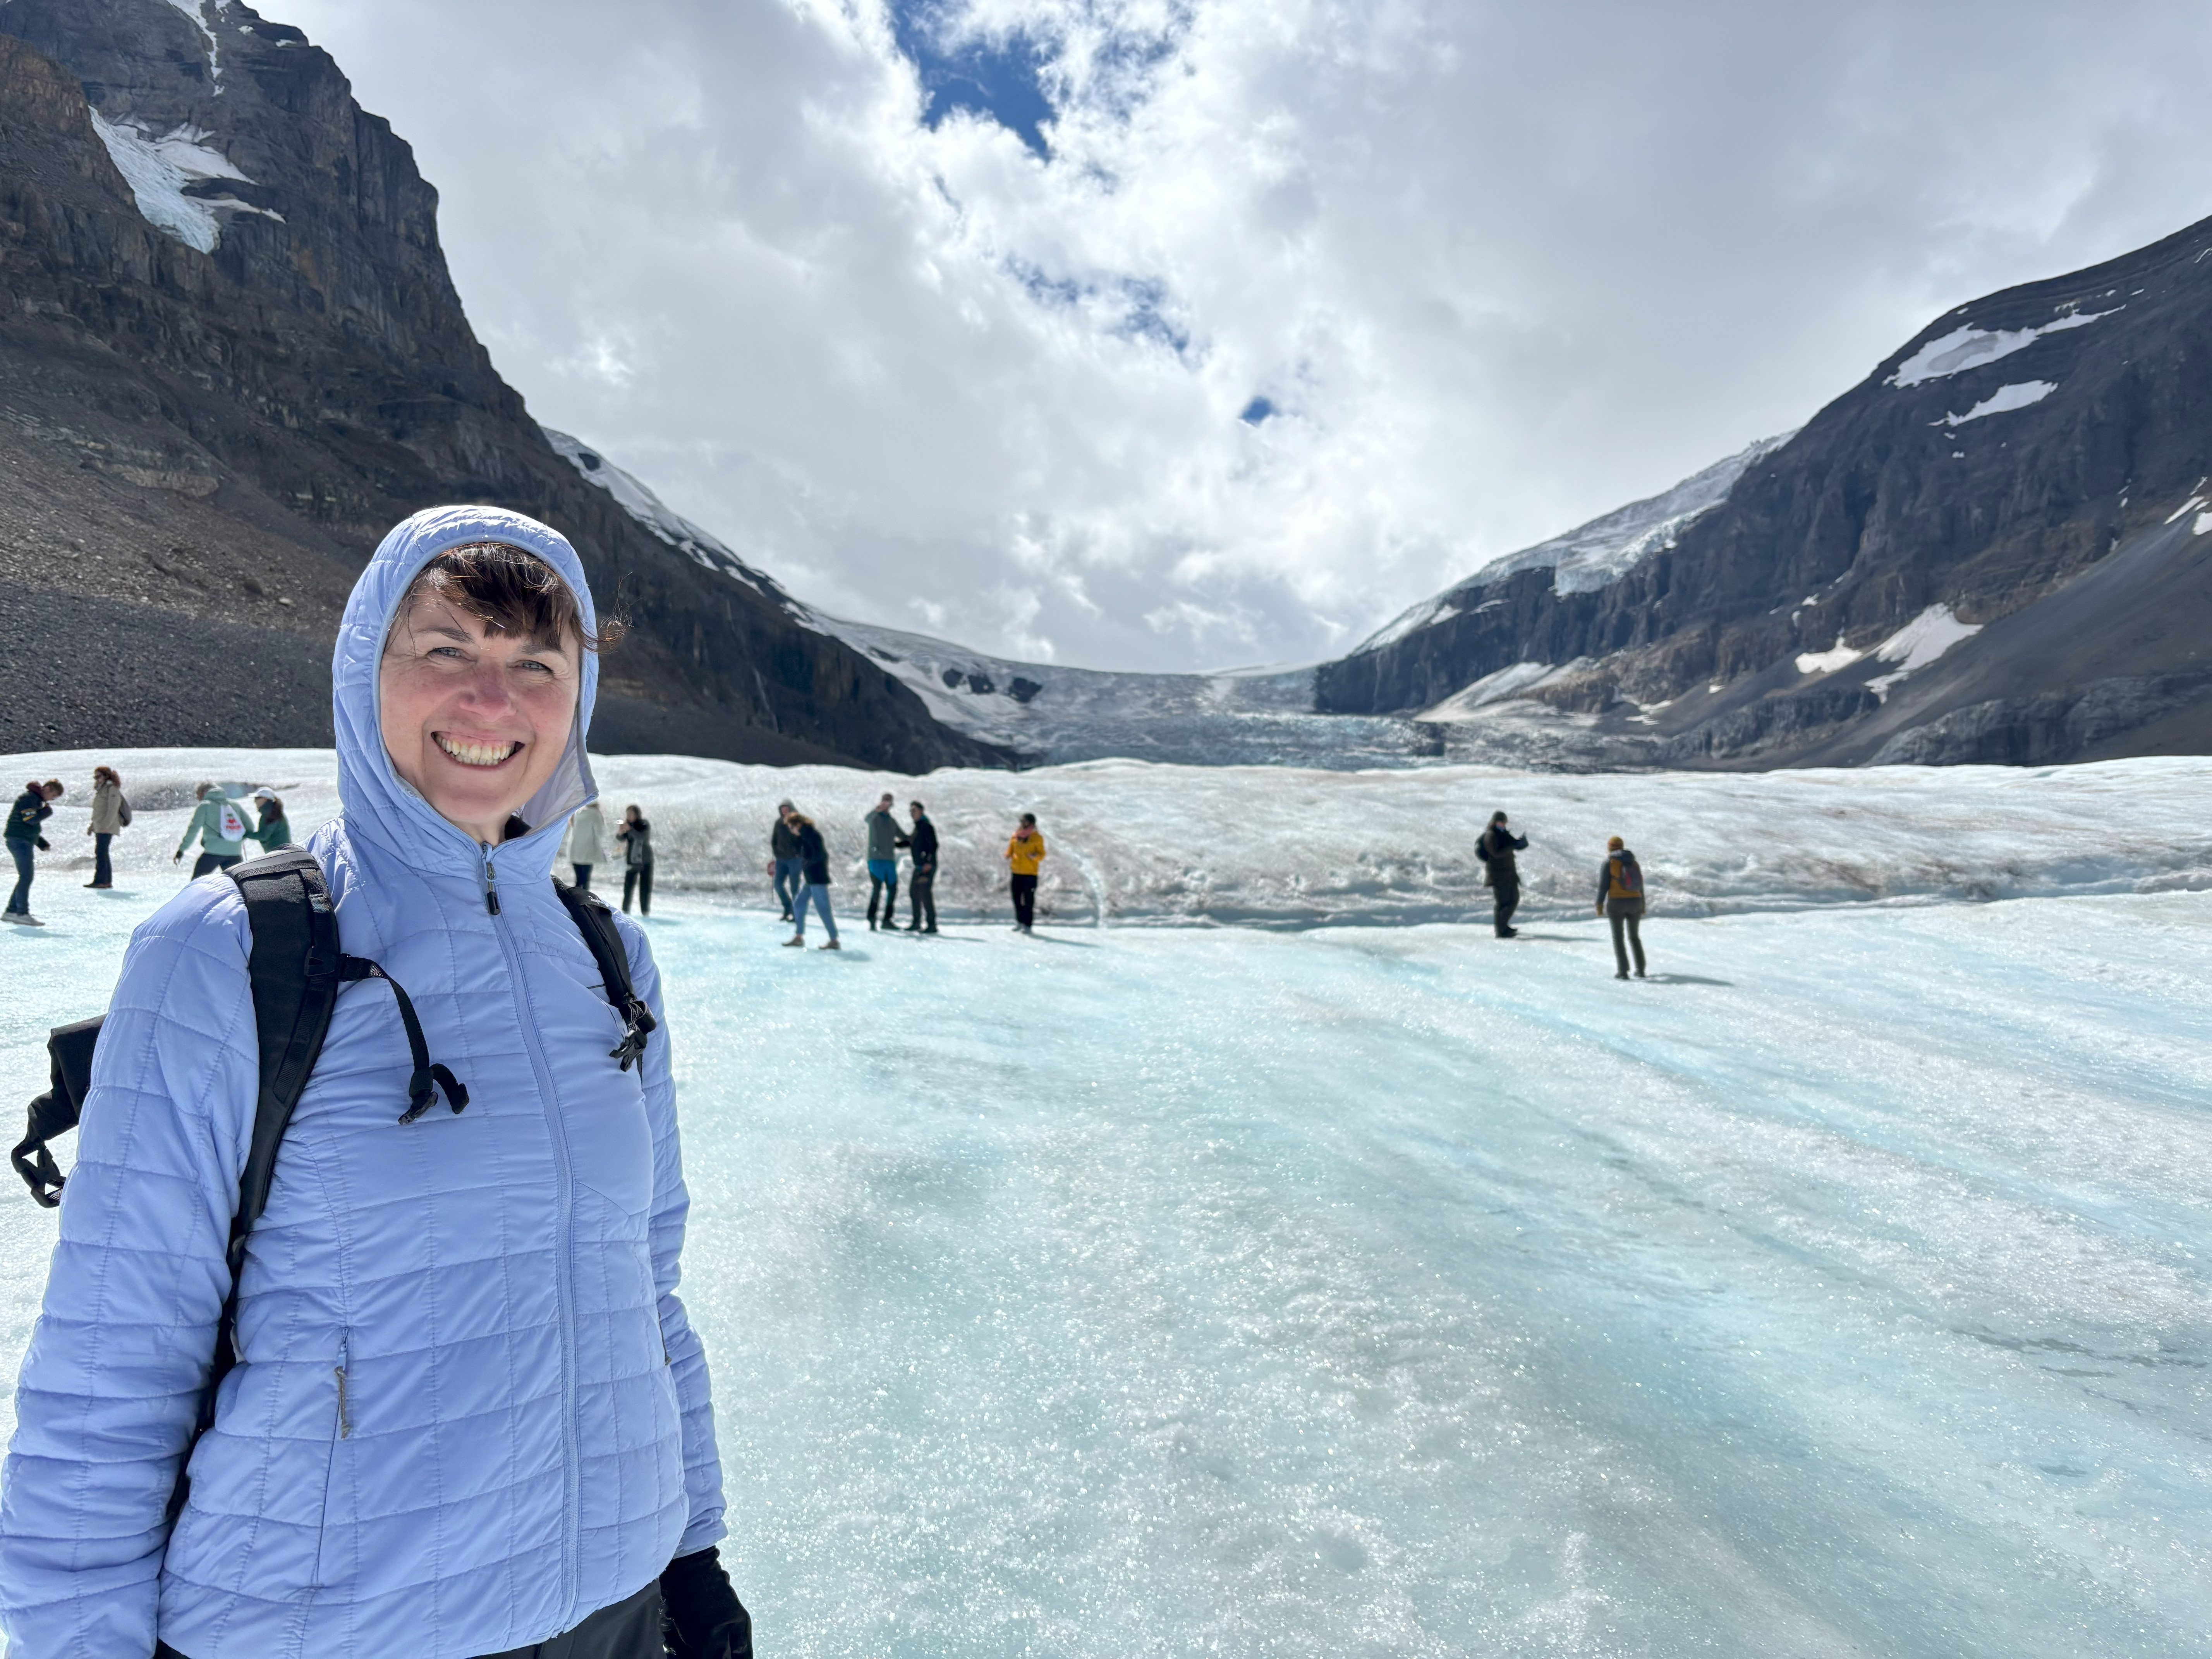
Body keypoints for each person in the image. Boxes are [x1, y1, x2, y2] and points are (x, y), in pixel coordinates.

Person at [0, 510, 749, 1659]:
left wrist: (692, 1554)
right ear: (367, 673)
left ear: (578, 701)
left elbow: (645, 1294)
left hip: (619, 1606)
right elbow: (111, 1381)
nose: (490, 701)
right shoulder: (229, 954)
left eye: (534, 664)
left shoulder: (609, 962)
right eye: (446, 650)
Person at [4, 778, 63, 926]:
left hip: (21, 840)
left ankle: (12, 911)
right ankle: (21, 913)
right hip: (19, 841)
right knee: (26, 876)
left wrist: (41, 843)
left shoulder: (33, 799)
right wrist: (46, 812)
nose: (52, 800)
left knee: (25, 876)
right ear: (48, 789)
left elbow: (29, 826)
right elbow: (30, 819)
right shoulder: (30, 798)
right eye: (54, 796)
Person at [1596, 834, 1648, 979]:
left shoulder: (1609, 863)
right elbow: (1641, 886)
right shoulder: (1634, 863)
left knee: (1619, 938)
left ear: (1610, 848)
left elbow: (1603, 886)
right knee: (1634, 937)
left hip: (1617, 903)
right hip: (1636, 902)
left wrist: (1599, 904)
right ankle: (1641, 970)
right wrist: (1643, 904)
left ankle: (1623, 972)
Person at [785, 809, 838, 950]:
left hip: (817, 878)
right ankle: (799, 937)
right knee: (798, 904)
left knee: (823, 909)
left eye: (791, 827)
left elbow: (821, 855)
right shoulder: (804, 836)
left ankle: (834, 940)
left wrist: (807, 863)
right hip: (810, 879)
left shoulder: (812, 835)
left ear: (798, 825)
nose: (791, 831)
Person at [173, 781, 250, 878]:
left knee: (196, 884)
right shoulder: (234, 805)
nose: (197, 797)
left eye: (198, 793)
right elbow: (250, 828)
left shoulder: (205, 806)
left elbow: (193, 830)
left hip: (212, 854)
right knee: (237, 885)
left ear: (204, 792)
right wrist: (235, 840)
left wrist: (181, 851)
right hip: (235, 854)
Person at [1476, 809, 1528, 938]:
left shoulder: (1503, 834)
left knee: (1514, 900)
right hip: (1498, 876)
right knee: (1503, 903)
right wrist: (1512, 846)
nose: (1503, 824)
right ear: (1495, 822)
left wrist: (1522, 844)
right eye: (1501, 822)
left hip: (1510, 874)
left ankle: (1504, 927)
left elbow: (1514, 845)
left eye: (1504, 822)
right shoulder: (1491, 835)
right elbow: (1496, 853)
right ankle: (1501, 930)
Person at [863, 792, 900, 931]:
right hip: (876, 860)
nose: (886, 803)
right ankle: (872, 919)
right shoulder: (874, 817)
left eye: (889, 801)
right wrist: (875, 810)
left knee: (893, 889)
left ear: (892, 804)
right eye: (884, 800)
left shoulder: (891, 821)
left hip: (889, 861)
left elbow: (902, 835)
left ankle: (887, 920)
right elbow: (867, 819)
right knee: (877, 890)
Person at [86, 765, 127, 889]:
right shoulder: (102, 790)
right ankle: (105, 881)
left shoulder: (112, 789)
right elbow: (98, 811)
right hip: (100, 827)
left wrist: (106, 826)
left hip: (106, 828)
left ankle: (102, 880)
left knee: (101, 853)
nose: (97, 779)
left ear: (106, 776)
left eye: (99, 776)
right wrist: (92, 826)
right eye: (95, 777)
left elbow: (113, 809)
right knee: (102, 853)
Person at [1004, 812, 1045, 934]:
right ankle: (1019, 922)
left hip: (1030, 873)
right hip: (1016, 872)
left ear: (1031, 823)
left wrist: (1034, 857)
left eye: (1025, 821)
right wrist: (1007, 855)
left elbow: (1042, 854)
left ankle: (1028, 924)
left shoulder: (1037, 838)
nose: (1022, 823)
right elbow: (1010, 850)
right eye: (1021, 821)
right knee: (1017, 899)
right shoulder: (1015, 836)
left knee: (1028, 901)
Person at [903, 799, 938, 934]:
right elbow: (910, 842)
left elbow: (934, 845)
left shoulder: (926, 826)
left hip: (927, 866)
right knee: (914, 893)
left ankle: (932, 925)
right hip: (919, 867)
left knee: (925, 894)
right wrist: (892, 844)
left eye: (914, 810)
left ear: (921, 811)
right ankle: (916, 922)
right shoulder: (918, 827)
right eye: (911, 811)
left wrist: (929, 862)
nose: (912, 813)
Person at [561, 796, 608, 890]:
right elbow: (601, 833)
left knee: (579, 881)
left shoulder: (577, 811)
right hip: (587, 853)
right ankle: (583, 903)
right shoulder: (595, 813)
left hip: (574, 851)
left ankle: (574, 902)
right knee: (586, 882)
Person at [618, 802, 655, 916]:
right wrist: (621, 832)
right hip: (632, 861)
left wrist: (630, 829)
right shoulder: (628, 825)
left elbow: (642, 838)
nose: (629, 816)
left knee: (645, 888)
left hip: (645, 860)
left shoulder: (644, 824)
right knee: (628, 887)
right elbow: (620, 839)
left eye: (631, 814)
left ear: (637, 815)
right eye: (627, 814)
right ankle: (625, 911)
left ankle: (645, 911)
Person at [769, 799, 801, 921]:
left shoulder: (798, 822)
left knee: (795, 888)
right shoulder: (778, 823)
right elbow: (774, 839)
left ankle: (796, 913)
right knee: (778, 885)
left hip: (795, 860)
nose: (784, 810)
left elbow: (804, 839)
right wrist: (776, 852)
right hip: (781, 860)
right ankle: (787, 908)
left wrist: (800, 853)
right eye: (782, 808)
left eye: (786, 808)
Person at [247, 788, 292, 852]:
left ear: (266, 799)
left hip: (280, 854)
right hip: (281, 853)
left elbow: (264, 836)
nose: (255, 801)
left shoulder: (272, 813)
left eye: (258, 798)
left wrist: (246, 834)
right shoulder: (271, 811)